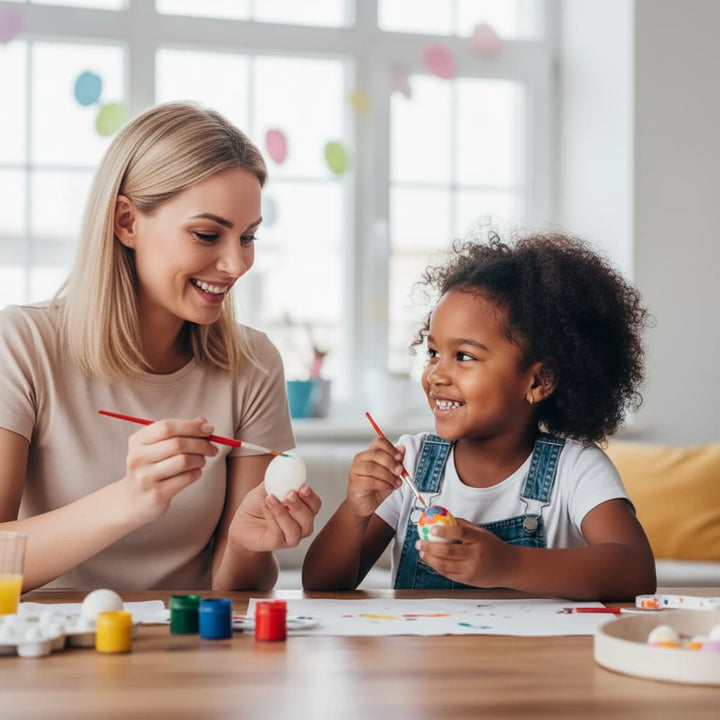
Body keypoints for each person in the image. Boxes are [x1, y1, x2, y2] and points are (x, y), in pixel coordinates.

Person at [0, 101, 321, 592]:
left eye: (249, 237)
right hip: (50, 649)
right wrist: (130, 499)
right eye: (207, 234)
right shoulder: (22, 345)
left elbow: (240, 591)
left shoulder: (253, 363)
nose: (236, 264)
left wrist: (244, 544)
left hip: (191, 652)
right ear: (126, 221)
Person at [303, 232, 657, 600]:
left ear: (538, 381)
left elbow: (636, 571)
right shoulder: (409, 463)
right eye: (433, 353)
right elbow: (322, 584)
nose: (436, 375)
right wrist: (355, 510)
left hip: (535, 658)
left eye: (465, 356)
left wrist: (508, 564)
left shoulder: (576, 468)